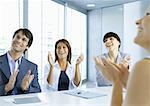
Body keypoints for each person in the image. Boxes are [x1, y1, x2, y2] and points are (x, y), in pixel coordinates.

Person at [94, 6, 150, 106]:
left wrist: (116, 81)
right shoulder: (101, 58)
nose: (137, 21)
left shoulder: (144, 67)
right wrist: (124, 80)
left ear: (119, 42)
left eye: (148, 14)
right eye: (105, 41)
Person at [0, 28, 41, 96]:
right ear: (13, 39)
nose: (19, 40)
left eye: (23, 39)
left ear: (27, 46)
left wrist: (26, 88)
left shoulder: (32, 67)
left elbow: (37, 91)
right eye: (17, 37)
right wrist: (6, 88)